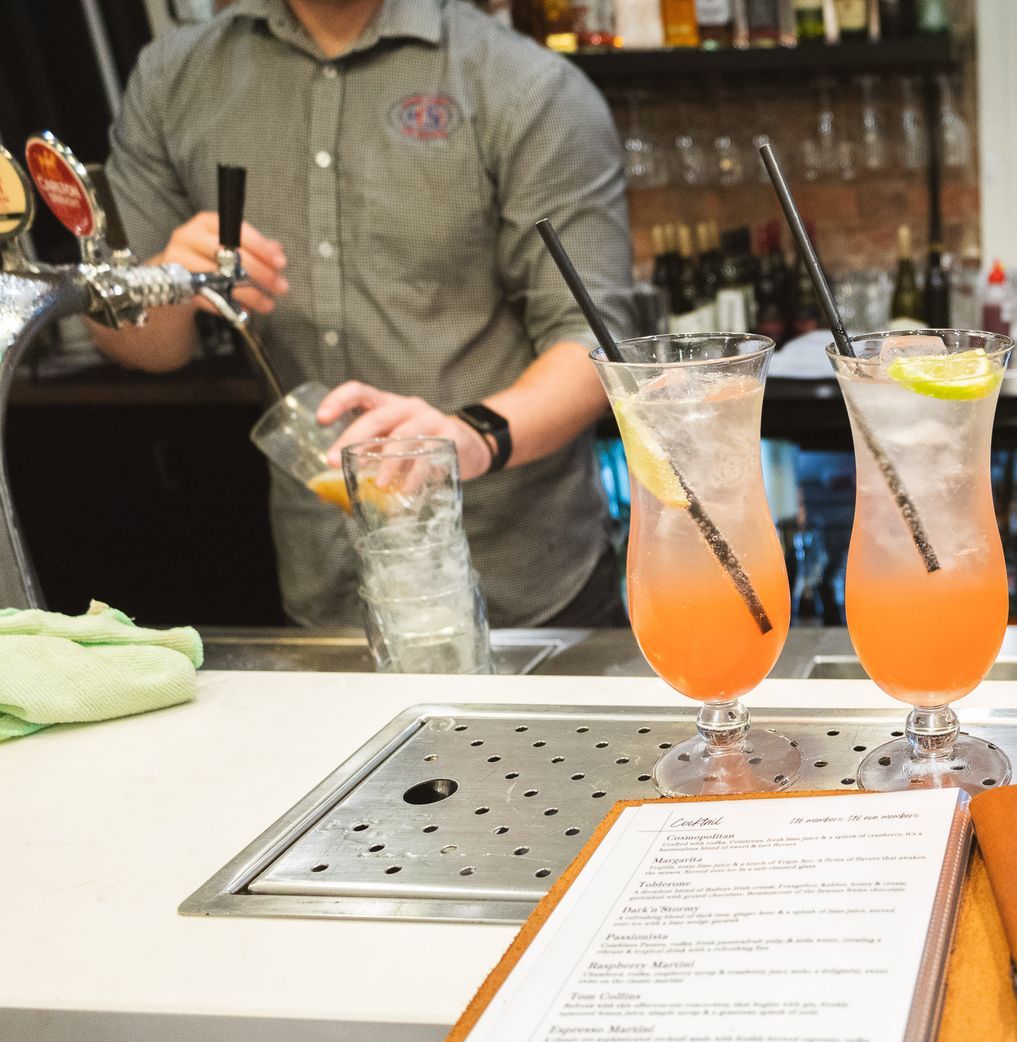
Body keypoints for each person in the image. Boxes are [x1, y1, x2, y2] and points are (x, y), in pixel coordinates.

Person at [93, 0, 635, 628]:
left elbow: (595, 342)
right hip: (323, 583)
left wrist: (472, 437)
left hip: (519, 578)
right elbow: (146, 350)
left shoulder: (526, 85)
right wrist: (171, 278)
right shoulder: (175, 77)